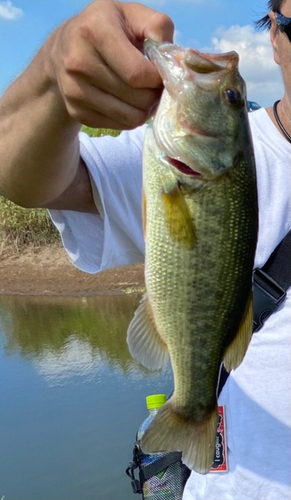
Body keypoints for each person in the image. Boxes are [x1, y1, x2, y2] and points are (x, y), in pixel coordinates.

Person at [0, 0, 290, 498]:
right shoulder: (194, 161)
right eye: (231, 101)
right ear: (275, 35)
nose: (226, 93)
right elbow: (20, 177)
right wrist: (52, 77)